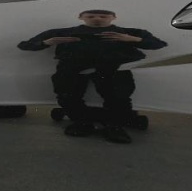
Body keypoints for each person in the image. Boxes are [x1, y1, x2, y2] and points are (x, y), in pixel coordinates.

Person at [18, 10, 167, 143]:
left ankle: (114, 126)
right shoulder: (64, 32)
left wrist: (133, 39)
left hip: (113, 68)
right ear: (81, 17)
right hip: (72, 67)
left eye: (103, 16)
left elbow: (158, 44)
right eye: (91, 16)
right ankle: (82, 122)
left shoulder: (129, 32)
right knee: (66, 94)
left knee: (119, 96)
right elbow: (25, 45)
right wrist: (48, 42)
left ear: (113, 17)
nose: (97, 19)